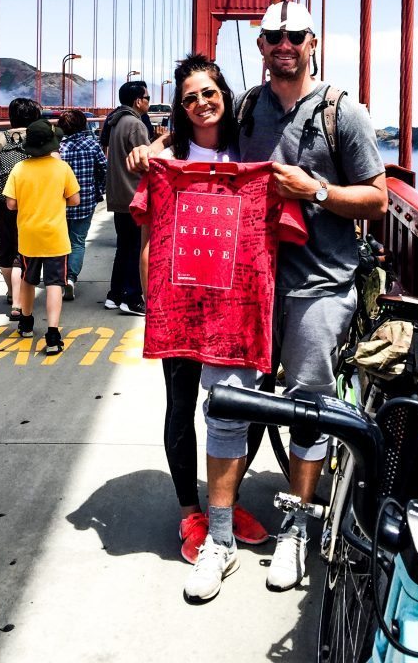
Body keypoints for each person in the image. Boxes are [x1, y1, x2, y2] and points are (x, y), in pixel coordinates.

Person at [128, 1, 388, 593]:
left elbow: (377, 199)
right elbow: (198, 130)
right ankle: (218, 540)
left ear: (312, 41)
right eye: (272, 37)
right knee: (225, 401)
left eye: (294, 35)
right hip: (240, 282)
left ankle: (296, 530)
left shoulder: (342, 114)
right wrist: (155, 148)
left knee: (310, 401)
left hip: (318, 282)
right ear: (262, 46)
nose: (284, 44)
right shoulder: (248, 107)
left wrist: (315, 190)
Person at [129, 53, 271, 602]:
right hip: (183, 303)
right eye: (189, 98)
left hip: (238, 307)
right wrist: (154, 301)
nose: (201, 104)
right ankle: (193, 515)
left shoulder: (251, 150)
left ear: (225, 94)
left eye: (208, 93)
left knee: (246, 406)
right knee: (181, 402)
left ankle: (225, 503)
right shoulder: (167, 159)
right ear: (179, 109)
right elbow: (147, 234)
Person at [3, 118, 80, 355]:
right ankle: (53, 335)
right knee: (55, 283)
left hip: (28, 235)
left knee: (28, 279)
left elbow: (10, 204)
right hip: (56, 236)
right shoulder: (62, 168)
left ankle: (26, 323)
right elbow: (74, 200)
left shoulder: (19, 169)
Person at [0, 96, 42, 318]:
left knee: (6, 242)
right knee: (25, 247)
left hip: (0, 198)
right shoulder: (38, 137)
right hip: (29, 198)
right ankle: (21, 295)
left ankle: (12, 293)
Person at [104, 80, 151, 315]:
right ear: (137, 101)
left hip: (117, 195)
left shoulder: (116, 121)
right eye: (147, 98)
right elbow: (146, 162)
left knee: (124, 247)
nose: (149, 103)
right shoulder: (136, 124)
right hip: (134, 195)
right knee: (135, 248)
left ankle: (115, 294)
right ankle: (132, 298)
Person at [57, 109, 107, 301]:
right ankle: (71, 278)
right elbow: (103, 169)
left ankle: (59, 278)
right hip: (85, 201)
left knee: (60, 242)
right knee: (77, 241)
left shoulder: (59, 147)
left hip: (61, 202)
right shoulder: (92, 144)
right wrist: (98, 191)